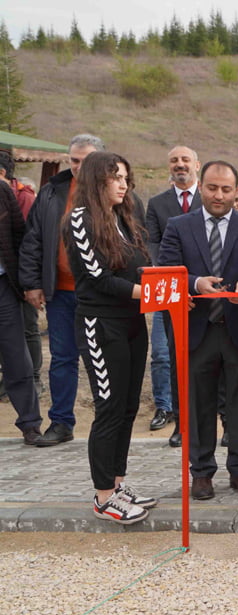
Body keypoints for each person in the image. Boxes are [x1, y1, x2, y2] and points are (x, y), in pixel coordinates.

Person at [158, 160, 238, 500]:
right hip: (197, 329)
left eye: (226, 189)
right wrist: (194, 283)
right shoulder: (178, 226)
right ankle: (202, 473)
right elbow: (166, 269)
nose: (218, 195)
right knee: (198, 405)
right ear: (200, 186)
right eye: (212, 187)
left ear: (237, 191)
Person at [63, 151, 158, 524]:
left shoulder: (122, 217)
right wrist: (151, 295)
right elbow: (99, 279)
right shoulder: (79, 221)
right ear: (96, 180)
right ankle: (103, 497)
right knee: (109, 408)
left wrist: (162, 285)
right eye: (115, 178)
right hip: (101, 326)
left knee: (129, 407)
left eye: (125, 178)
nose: (123, 185)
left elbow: (141, 267)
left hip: (133, 323)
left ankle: (117, 484)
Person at [20, 134, 107, 448]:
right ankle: (61, 422)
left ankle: (108, 422)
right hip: (61, 293)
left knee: (102, 359)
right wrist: (31, 283)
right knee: (62, 358)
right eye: (74, 160)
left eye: (86, 161)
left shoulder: (115, 191)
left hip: (101, 295)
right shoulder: (51, 191)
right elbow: (33, 240)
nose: (79, 167)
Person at [143, 146, 202, 446]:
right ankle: (180, 422)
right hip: (171, 293)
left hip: (208, 293)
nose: (179, 165)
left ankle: (224, 422)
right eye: (174, 160)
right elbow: (152, 245)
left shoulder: (212, 197)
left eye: (185, 160)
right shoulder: (157, 204)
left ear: (196, 165)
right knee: (174, 358)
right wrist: (177, 281)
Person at [0, 178, 42, 445]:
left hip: (3, 285)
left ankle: (30, 424)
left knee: (16, 355)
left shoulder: (2, 190)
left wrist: (27, 281)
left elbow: (20, 234)